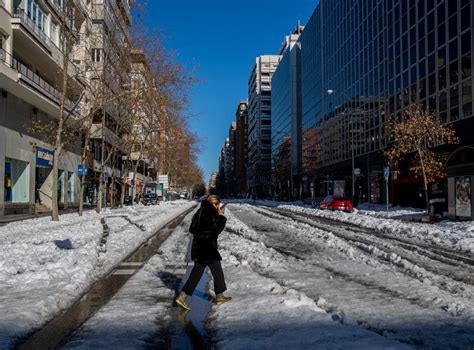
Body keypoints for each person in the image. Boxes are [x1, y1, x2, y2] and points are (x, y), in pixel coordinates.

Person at [175, 195, 231, 310]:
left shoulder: (199, 212)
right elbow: (216, 230)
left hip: (198, 248)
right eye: (217, 205)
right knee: (217, 272)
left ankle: (182, 296)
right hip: (208, 248)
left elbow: (192, 229)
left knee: (197, 273)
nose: (218, 207)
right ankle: (219, 297)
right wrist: (221, 216)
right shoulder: (210, 213)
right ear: (214, 204)